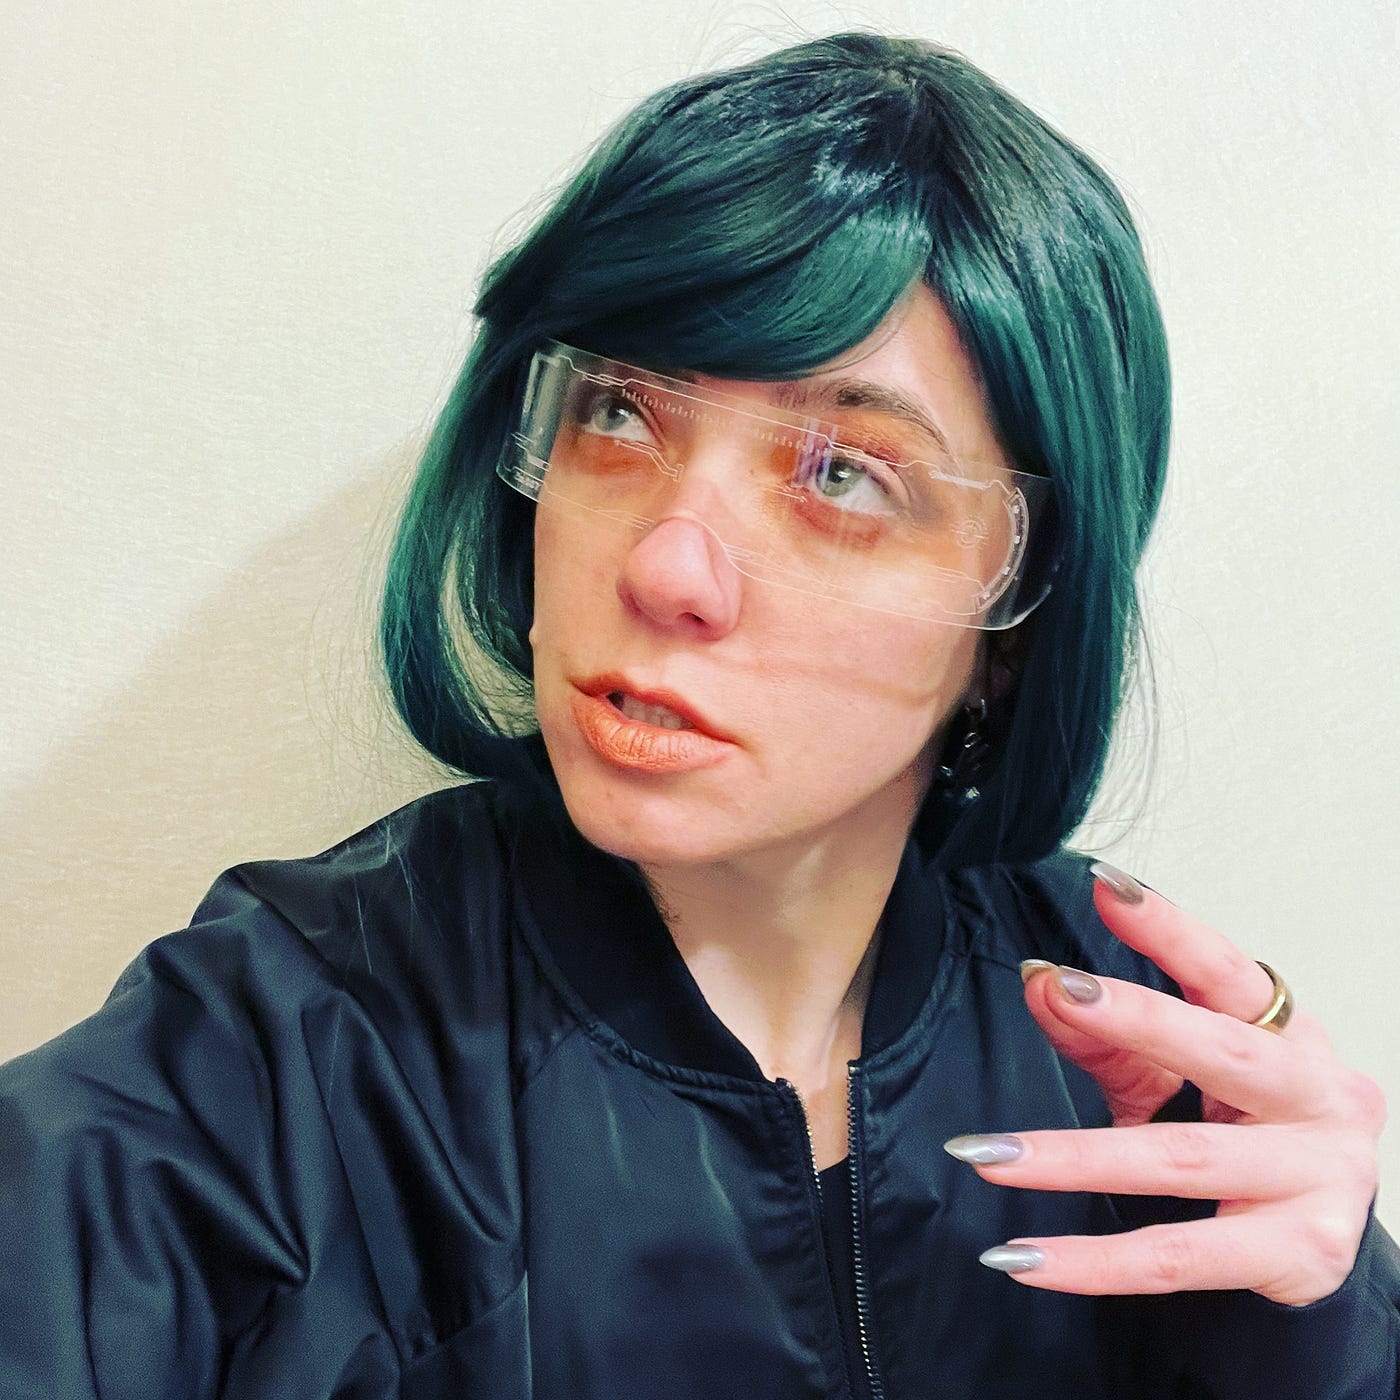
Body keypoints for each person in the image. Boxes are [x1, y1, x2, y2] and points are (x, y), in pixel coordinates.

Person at [1, 30, 1395, 1399]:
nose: (666, 567)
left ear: (1017, 620)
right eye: (618, 411)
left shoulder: (1126, 1044)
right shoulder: (285, 1054)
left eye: (844, 475)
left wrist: (1313, 1330)